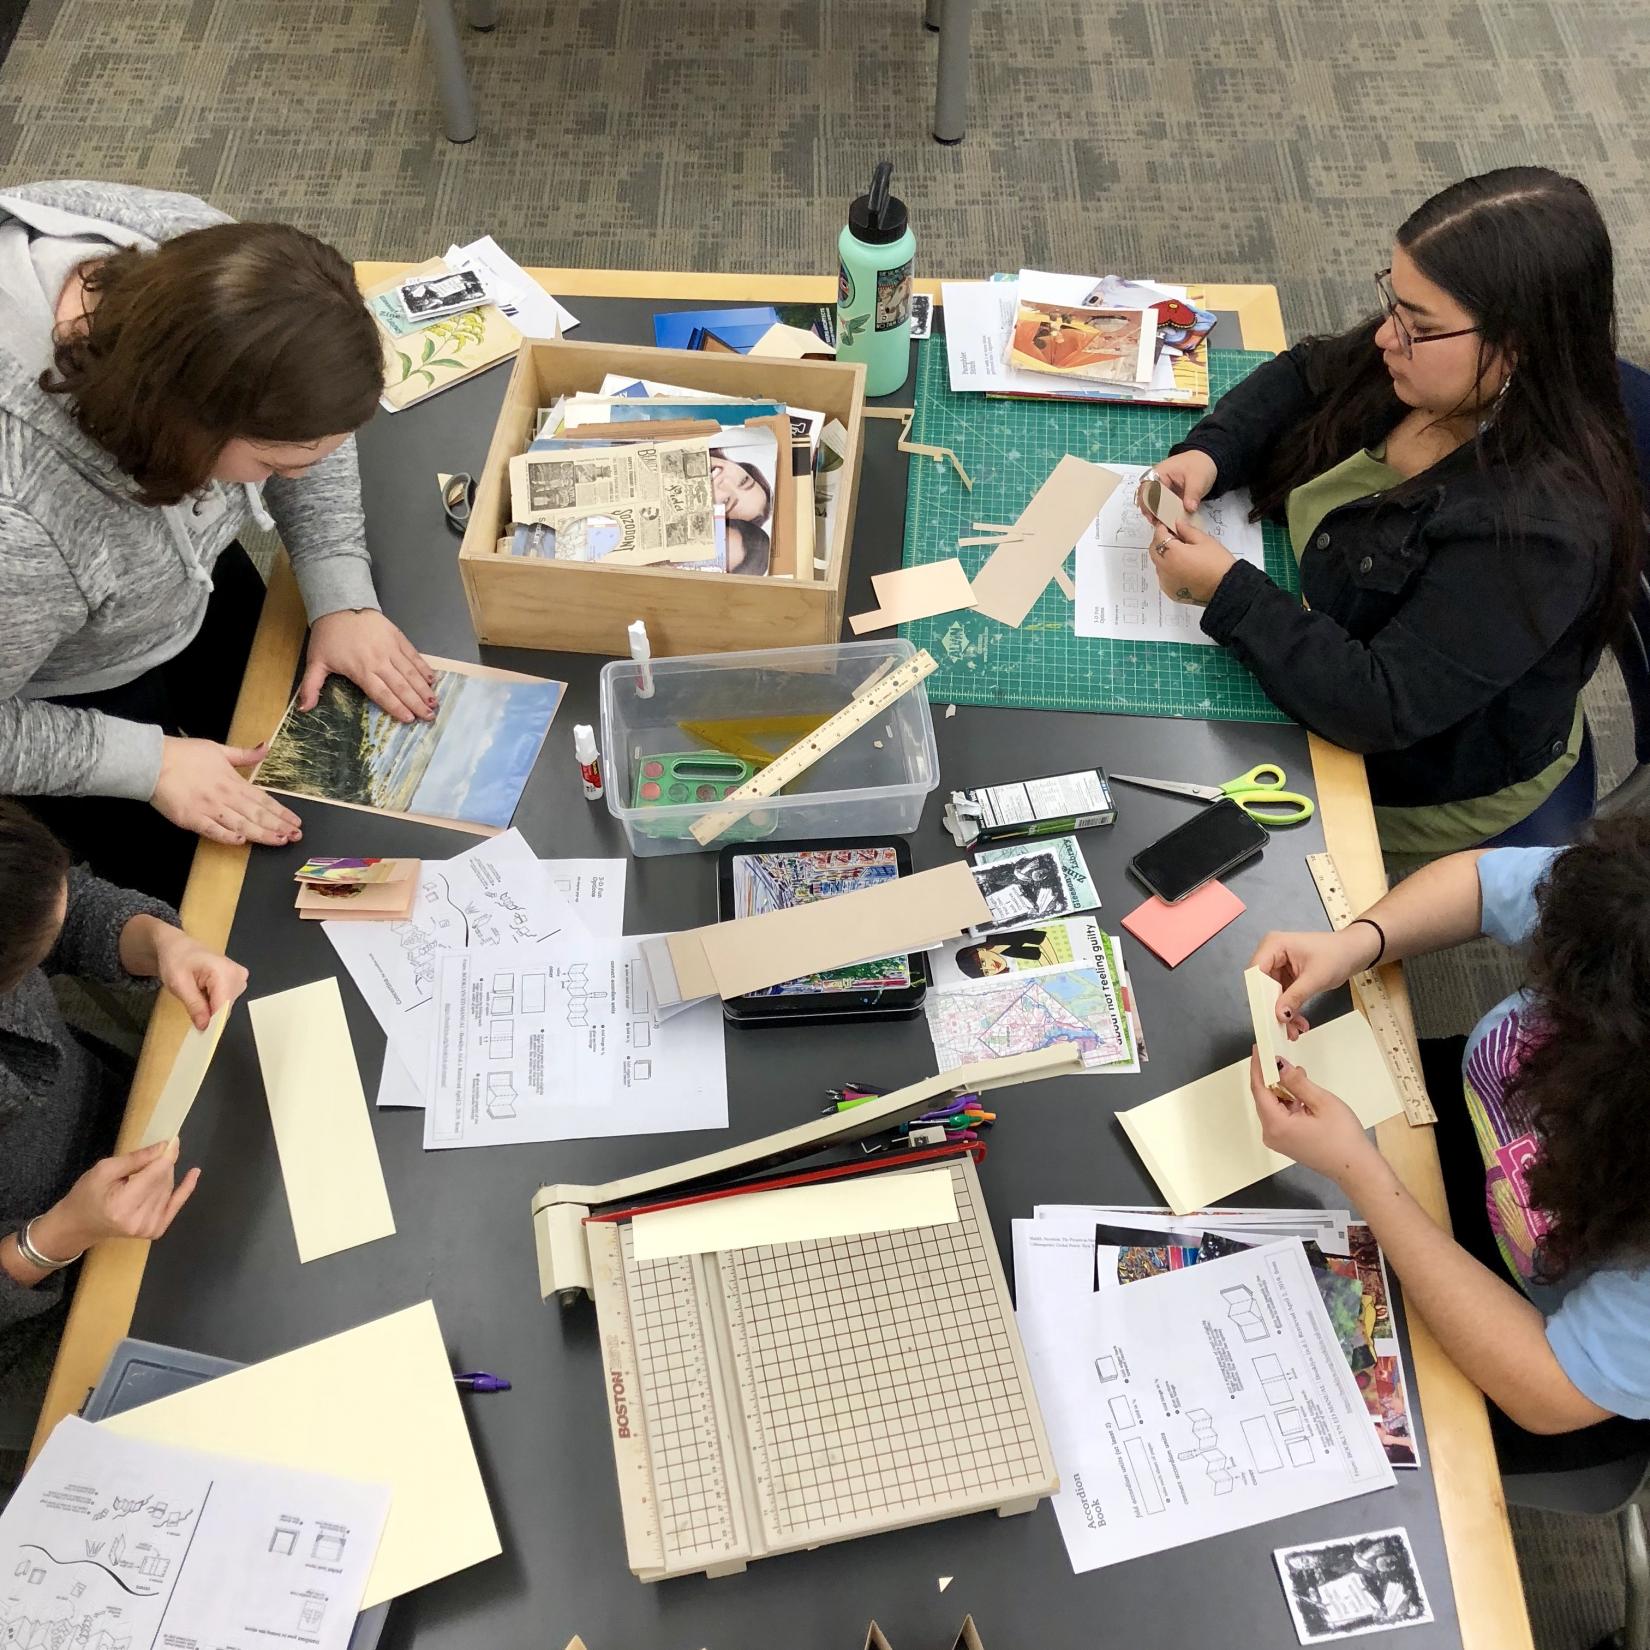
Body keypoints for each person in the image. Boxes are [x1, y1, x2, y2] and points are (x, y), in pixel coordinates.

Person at [1143, 168, 1646, 858]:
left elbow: (1380, 706)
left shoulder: (1534, 536)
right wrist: (1212, 453)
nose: (1385, 337)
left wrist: (1228, 591)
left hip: (1416, 772)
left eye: (1419, 325)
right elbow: (1305, 373)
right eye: (1394, 304)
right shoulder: (1434, 365)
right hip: (1327, 634)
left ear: (1517, 347)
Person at [0, 181, 436, 902]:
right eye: (276, 468)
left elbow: (307, 421)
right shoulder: (23, 529)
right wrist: (145, 764)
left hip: (178, 575)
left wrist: (337, 589)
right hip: (62, 683)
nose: (300, 474)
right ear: (186, 429)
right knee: (198, 890)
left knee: (281, 747)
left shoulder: (204, 258)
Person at [1246, 812, 1650, 1439]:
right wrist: (1358, 943)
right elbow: (1483, 883)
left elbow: (1550, 1391)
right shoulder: (1630, 917)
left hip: (1522, 1340)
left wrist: (1365, 1176)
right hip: (1465, 1148)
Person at [0, 801, 246, 1357]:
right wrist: (59, 1235)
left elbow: (55, 906)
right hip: (51, 1316)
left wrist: (161, 944)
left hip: (130, 1123)